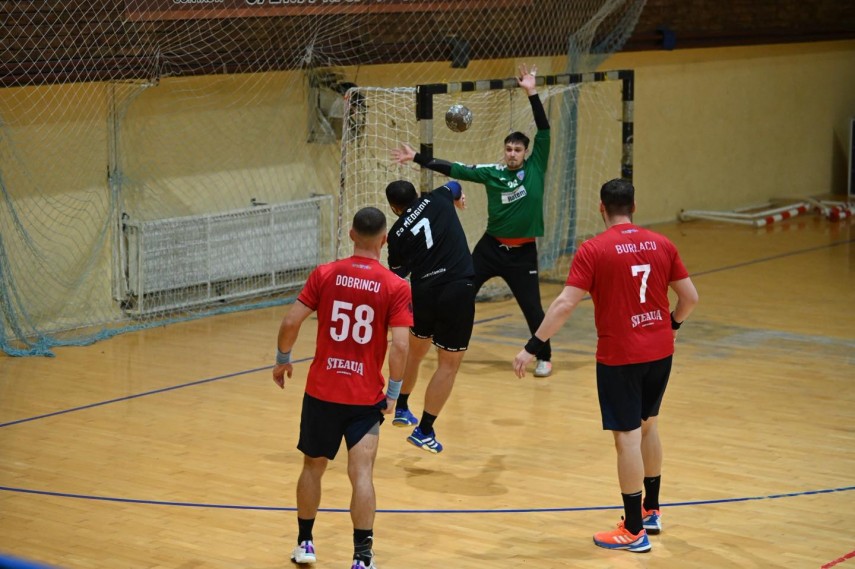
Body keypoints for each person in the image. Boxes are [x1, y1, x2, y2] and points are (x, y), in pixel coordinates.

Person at [513, 178, 699, 553]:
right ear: (634, 206)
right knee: (649, 427)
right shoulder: (662, 243)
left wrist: (533, 346)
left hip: (621, 356)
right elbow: (690, 297)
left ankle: (633, 530)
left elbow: (565, 304)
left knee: (626, 438)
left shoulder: (594, 249)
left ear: (602, 208)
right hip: (660, 350)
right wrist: (672, 324)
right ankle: (651, 510)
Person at [392, 63, 554, 378]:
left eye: (517, 149)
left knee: (532, 308)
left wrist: (531, 92)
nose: (511, 153)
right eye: (507, 148)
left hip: (523, 254)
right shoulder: (492, 173)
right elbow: (456, 170)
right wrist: (417, 158)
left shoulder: (535, 168)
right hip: (491, 248)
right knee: (459, 289)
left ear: (526, 152)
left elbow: (544, 129)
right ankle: (441, 338)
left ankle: (543, 356)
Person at [272, 207, 413, 569]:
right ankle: (362, 556)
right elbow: (400, 346)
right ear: (384, 240)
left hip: (322, 392)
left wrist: (282, 358)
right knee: (362, 473)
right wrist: (394, 395)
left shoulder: (325, 274)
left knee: (312, 467)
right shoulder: (395, 286)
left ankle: (305, 543)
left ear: (351, 235)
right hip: (365, 397)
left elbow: (291, 321)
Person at [384, 179, 475, 454]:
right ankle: (424, 430)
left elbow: (398, 272)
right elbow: (455, 184)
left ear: (393, 207)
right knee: (448, 365)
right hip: (457, 288)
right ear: (416, 193)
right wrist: (457, 200)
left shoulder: (396, 232)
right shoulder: (439, 198)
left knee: (416, 351)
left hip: (423, 293)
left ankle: (401, 406)